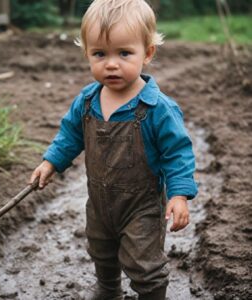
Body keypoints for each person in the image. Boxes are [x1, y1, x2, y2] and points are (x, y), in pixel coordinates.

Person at [30, 0, 198, 299]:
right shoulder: (86, 101)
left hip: (142, 205)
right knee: (100, 249)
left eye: (124, 53)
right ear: (87, 54)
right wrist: (50, 162)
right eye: (99, 53)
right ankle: (108, 289)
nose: (110, 63)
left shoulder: (157, 108)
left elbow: (177, 153)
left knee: (143, 263)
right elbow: (70, 135)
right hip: (99, 199)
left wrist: (179, 194)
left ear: (147, 53)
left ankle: (151, 293)